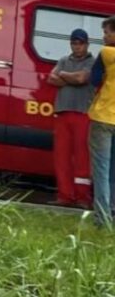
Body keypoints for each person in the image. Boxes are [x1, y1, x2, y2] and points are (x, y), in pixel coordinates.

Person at [46, 28, 95, 207]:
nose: (77, 46)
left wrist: (64, 75)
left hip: (83, 114)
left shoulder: (93, 62)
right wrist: (70, 78)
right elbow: (51, 79)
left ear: (87, 44)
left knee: (82, 157)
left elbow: (82, 78)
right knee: (62, 156)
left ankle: (83, 197)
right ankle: (65, 195)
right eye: (74, 43)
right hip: (62, 113)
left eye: (80, 43)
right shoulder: (63, 60)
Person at [88, 16, 115, 226]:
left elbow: (94, 80)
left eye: (107, 32)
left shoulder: (106, 53)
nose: (104, 36)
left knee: (101, 170)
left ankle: (102, 219)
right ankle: (112, 212)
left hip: (104, 117)